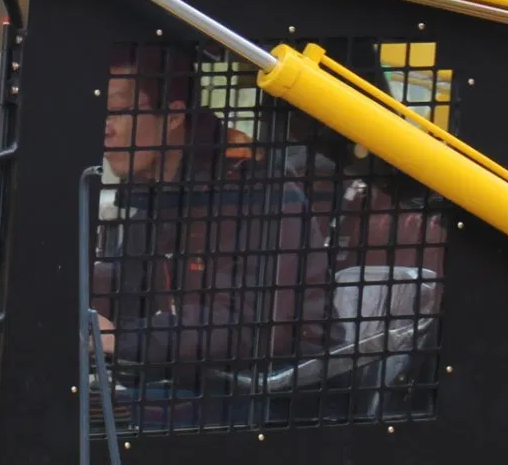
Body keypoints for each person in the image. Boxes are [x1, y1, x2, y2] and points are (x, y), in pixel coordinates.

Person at [92, 46, 334, 416]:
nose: (104, 129)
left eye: (119, 111)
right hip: (194, 387)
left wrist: (120, 338)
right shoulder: (156, 194)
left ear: (174, 116)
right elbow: (129, 285)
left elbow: (249, 330)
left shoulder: (257, 192)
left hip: (280, 405)